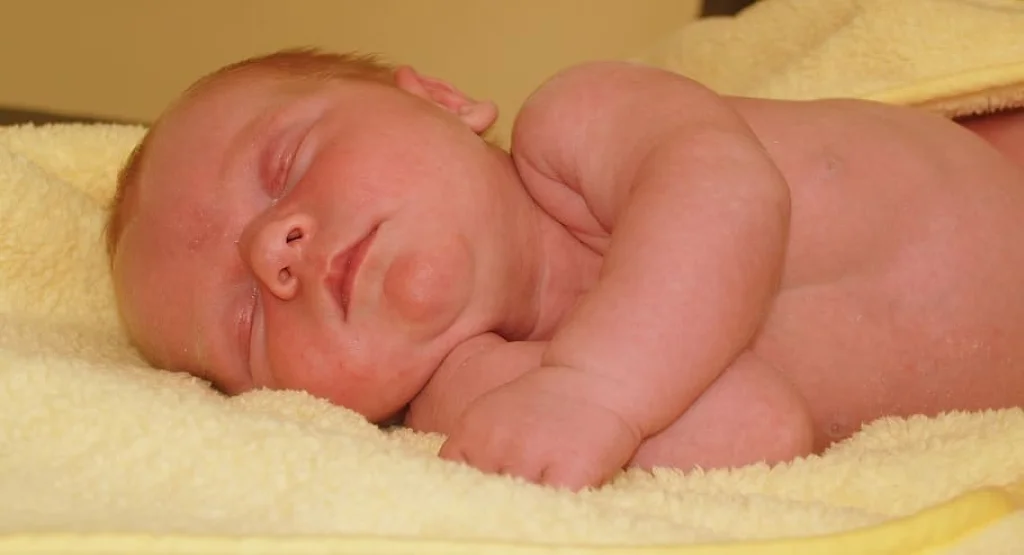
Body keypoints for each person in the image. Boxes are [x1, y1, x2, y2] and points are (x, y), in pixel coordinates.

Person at [106, 49, 1024, 491]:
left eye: (284, 165)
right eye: (245, 323)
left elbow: (728, 192)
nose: (273, 250)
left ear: (438, 99)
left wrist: (595, 388)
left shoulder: (576, 128)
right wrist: (560, 403)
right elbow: (762, 423)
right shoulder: (488, 403)